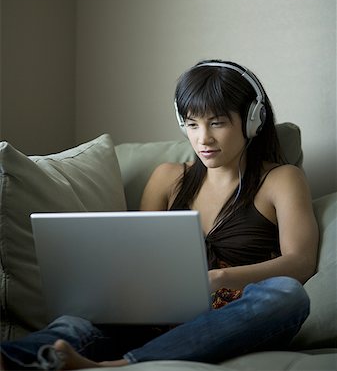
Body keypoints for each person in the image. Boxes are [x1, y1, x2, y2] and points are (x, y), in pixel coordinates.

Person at [0, 60, 319, 370]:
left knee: (288, 296)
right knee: (78, 319)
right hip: (153, 312)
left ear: (252, 120)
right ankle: (15, 359)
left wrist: (218, 278)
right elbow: (137, 257)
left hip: (228, 315)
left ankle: (119, 365)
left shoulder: (281, 179)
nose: (203, 139)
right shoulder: (167, 177)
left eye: (217, 123)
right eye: (192, 125)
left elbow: (301, 262)